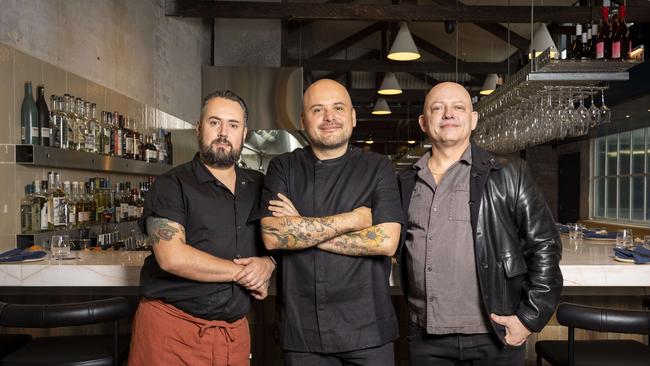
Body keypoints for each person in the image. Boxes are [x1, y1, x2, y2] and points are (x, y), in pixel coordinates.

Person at [398, 82, 563, 365]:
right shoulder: (404, 182)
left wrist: (529, 318)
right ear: (424, 123)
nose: (448, 114)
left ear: (473, 119)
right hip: (425, 337)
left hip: (495, 334)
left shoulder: (510, 173)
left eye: (458, 107)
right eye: (438, 108)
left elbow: (545, 244)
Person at [259, 79, 403, 366]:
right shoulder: (283, 167)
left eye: (338, 107)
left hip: (369, 331)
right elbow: (274, 236)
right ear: (303, 120)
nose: (329, 117)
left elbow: (386, 242)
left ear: (352, 116)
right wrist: (355, 219)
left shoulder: (378, 167)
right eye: (317, 110)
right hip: (303, 334)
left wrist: (300, 226)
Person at [129, 90, 276, 366]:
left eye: (233, 125)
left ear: (244, 134)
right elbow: (172, 257)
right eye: (214, 122)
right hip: (172, 333)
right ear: (199, 127)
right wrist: (244, 273)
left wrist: (268, 263)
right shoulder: (171, 185)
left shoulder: (260, 185)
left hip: (232, 336)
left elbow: (277, 236)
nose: (223, 132)